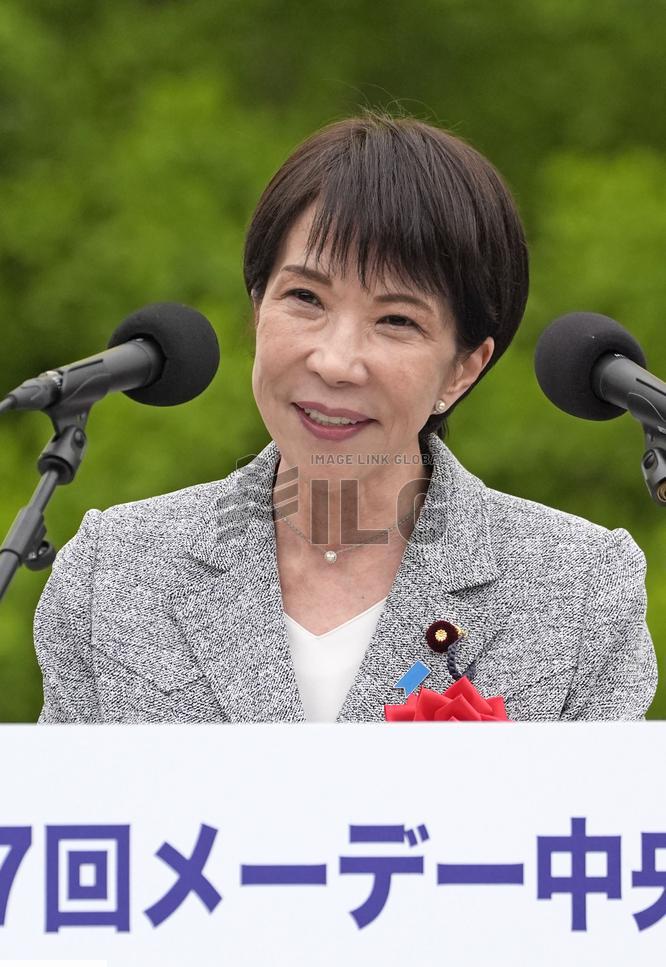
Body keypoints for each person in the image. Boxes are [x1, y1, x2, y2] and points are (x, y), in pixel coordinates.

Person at [34, 109, 658, 723]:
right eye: (305, 298)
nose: (335, 362)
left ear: (463, 369)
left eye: (396, 321)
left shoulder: (578, 591)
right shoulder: (114, 571)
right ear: (258, 308)